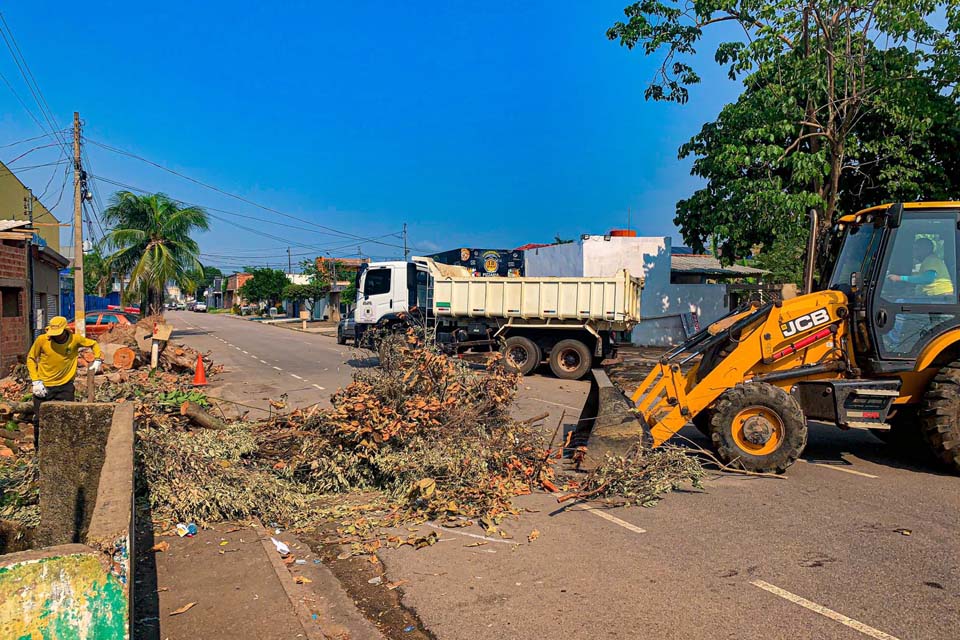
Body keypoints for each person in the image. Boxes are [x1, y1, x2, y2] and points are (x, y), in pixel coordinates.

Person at [26, 316, 102, 450]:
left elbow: (93, 344)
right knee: (39, 420)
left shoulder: (75, 340)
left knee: (66, 418)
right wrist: (36, 381)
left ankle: (65, 449)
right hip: (44, 386)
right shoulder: (42, 340)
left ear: (64, 330)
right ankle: (39, 451)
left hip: (65, 386)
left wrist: (97, 359)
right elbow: (31, 358)